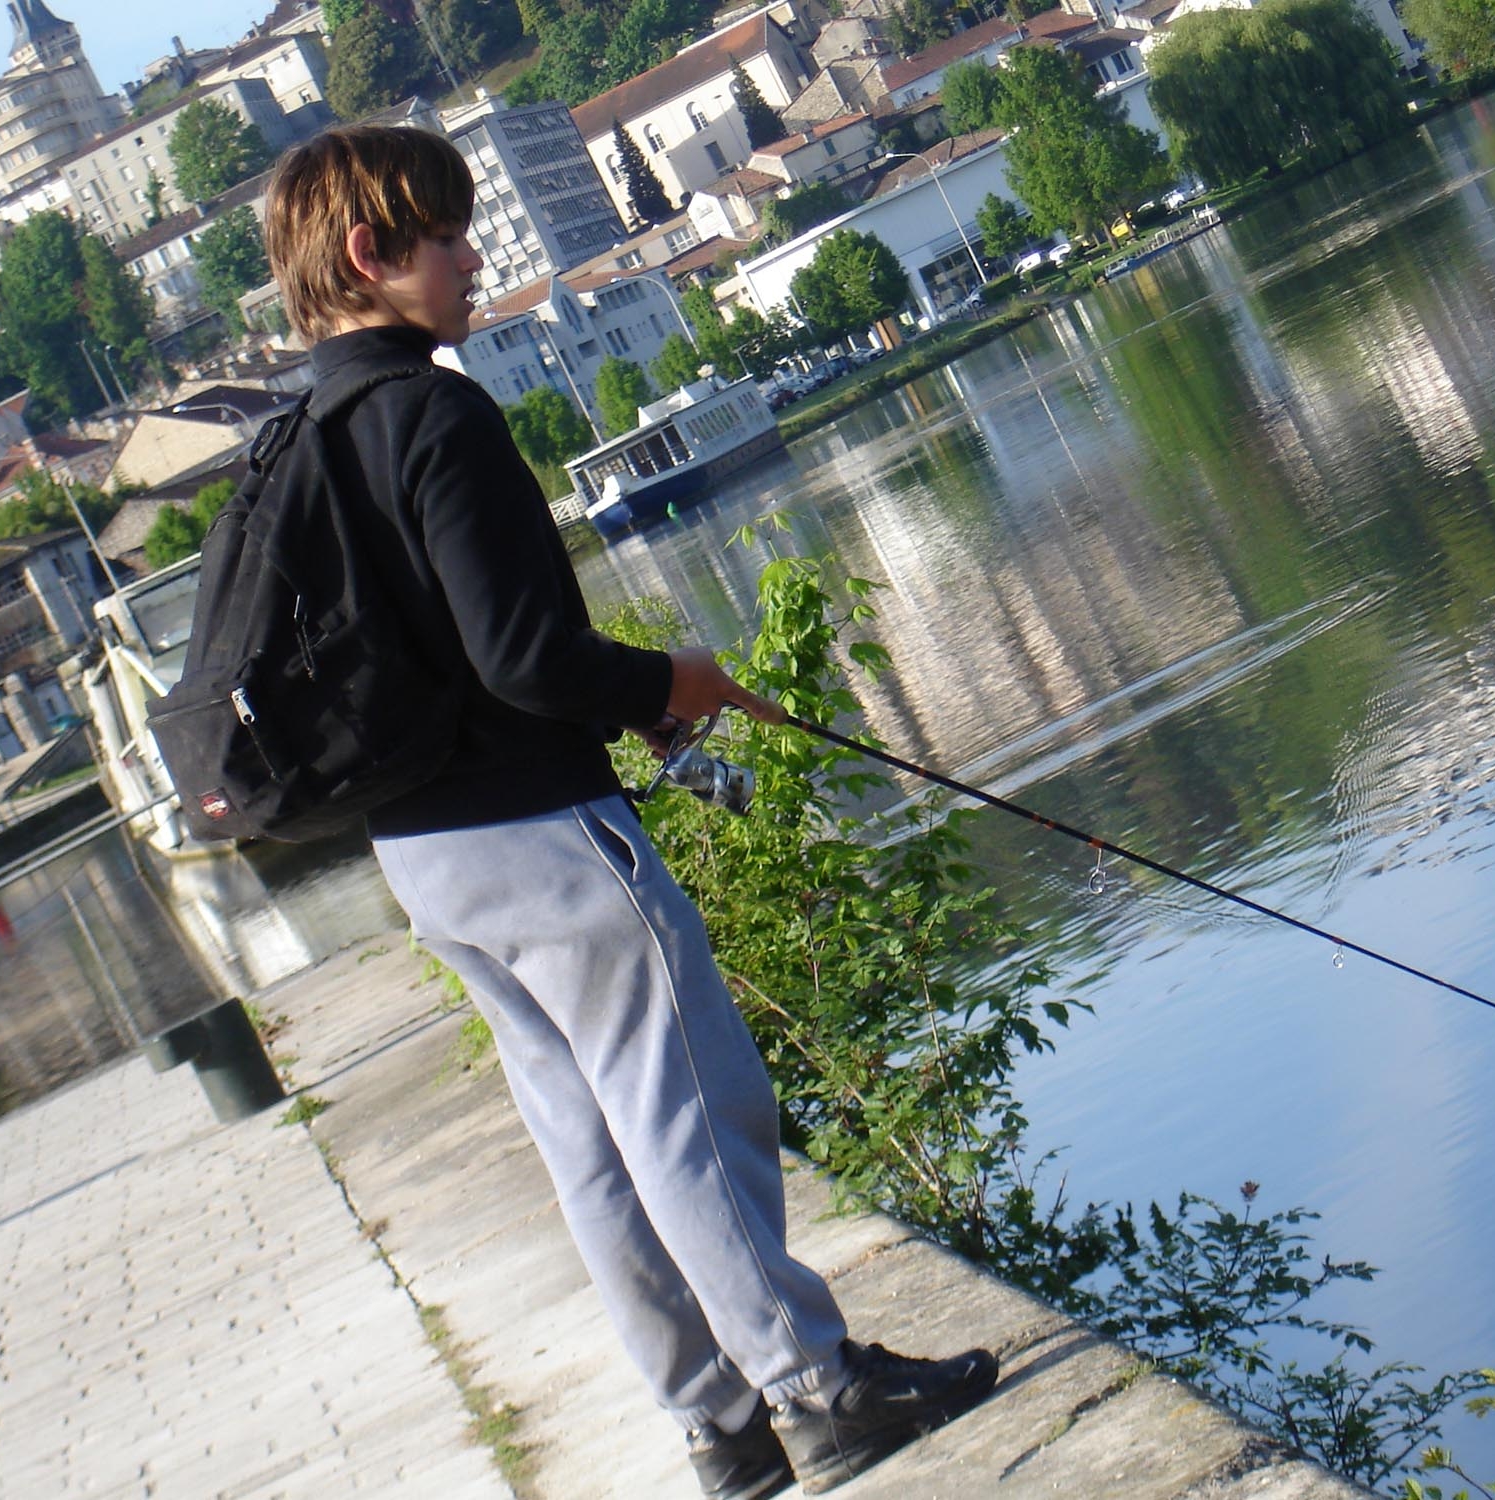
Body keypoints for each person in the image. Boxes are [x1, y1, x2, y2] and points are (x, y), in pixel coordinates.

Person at [261, 125, 998, 1499]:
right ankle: (821, 1387)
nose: (475, 256)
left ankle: (719, 1433)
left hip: (427, 861)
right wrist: (677, 680)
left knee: (588, 1147)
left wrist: (644, 707)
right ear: (371, 255)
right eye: (448, 234)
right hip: (546, 845)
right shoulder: (435, 411)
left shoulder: (296, 441)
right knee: (685, 1115)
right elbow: (523, 658)